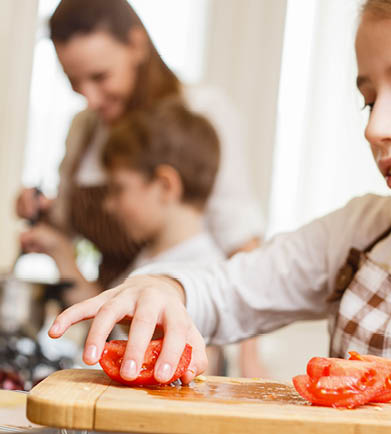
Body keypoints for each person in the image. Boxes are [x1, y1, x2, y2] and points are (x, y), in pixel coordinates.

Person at [46, 0, 391, 432]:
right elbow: (222, 290)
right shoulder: (362, 232)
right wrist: (165, 288)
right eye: (368, 100)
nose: (378, 128)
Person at [17, 0, 268, 377]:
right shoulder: (85, 129)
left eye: (100, 77)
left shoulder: (200, 111)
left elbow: (240, 242)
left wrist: (250, 365)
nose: (88, 97)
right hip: (117, 309)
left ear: (136, 46)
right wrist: (40, 210)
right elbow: (67, 221)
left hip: (174, 313)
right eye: (74, 82)